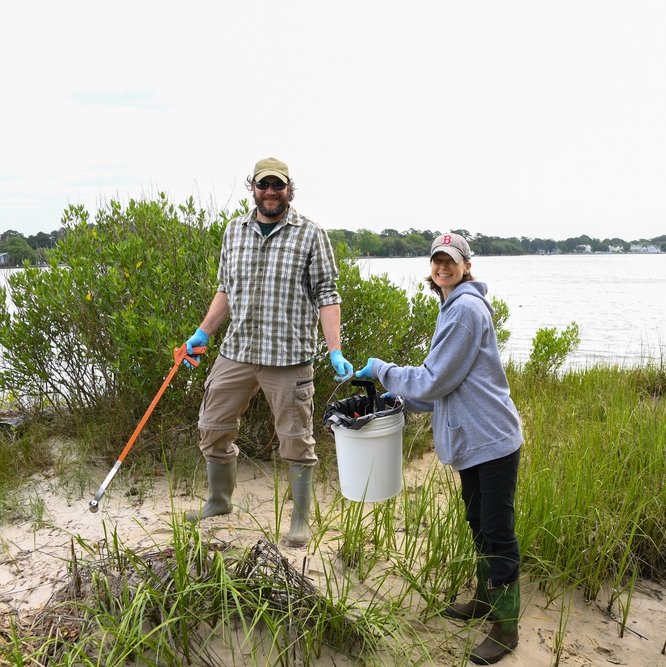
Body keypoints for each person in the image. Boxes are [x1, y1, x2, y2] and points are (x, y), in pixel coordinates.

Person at [354, 233, 522, 665]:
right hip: (475, 440)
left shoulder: (465, 309)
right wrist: (400, 400)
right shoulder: (451, 306)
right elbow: (441, 387)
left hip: (492, 440)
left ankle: (505, 629)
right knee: (477, 520)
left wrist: (381, 370)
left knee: (497, 529)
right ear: (431, 268)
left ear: (466, 266)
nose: (442, 267)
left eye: (451, 260)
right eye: (436, 261)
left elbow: (433, 379)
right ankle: (486, 601)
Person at [182, 156, 353, 548]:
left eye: (278, 185)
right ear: (253, 187)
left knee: (296, 439)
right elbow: (226, 289)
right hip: (238, 350)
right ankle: (218, 502)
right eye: (264, 185)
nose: (271, 192)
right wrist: (202, 332)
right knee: (212, 426)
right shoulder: (233, 231)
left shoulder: (311, 234)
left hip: (289, 356)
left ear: (290, 188)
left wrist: (334, 350)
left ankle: (299, 520)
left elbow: (327, 295)